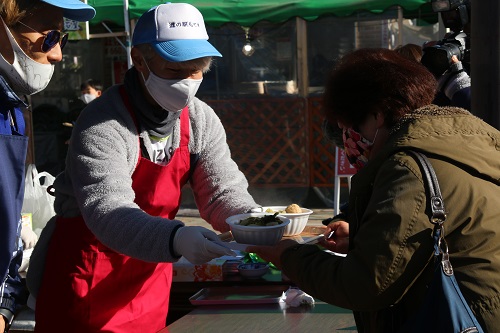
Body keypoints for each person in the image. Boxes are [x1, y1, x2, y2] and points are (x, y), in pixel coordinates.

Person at [31, 3, 259, 332]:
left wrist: (256, 221)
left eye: (196, 69)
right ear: (140, 60)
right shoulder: (103, 123)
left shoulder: (199, 120)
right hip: (90, 275)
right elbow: (109, 211)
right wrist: (177, 239)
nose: (186, 80)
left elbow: (222, 192)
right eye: (175, 69)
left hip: (150, 278)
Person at [249, 48, 500, 332]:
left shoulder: (407, 168)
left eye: (351, 126)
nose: (349, 138)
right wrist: (362, 236)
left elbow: (366, 284)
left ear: (378, 115)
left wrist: (288, 256)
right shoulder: (469, 139)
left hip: (460, 319)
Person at [0, 0, 95, 331]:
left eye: (62, 39)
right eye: (49, 36)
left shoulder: (13, 108)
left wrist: (4, 304)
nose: (57, 54)